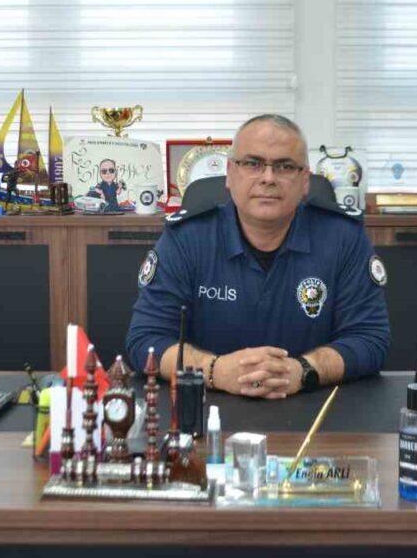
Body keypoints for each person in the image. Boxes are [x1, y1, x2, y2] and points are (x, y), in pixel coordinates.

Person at [126, 114, 390, 399]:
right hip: (208, 406)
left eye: (284, 166)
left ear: (305, 180)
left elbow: (370, 339)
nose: (268, 178)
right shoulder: (187, 238)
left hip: (312, 405)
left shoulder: (343, 237)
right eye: (253, 164)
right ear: (230, 173)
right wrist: (214, 370)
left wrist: (304, 370)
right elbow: (145, 340)